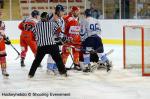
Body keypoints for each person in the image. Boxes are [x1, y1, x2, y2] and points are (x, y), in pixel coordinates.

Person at [28, 12, 67, 78]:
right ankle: (63, 73)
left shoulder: (36, 25)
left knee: (36, 61)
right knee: (58, 60)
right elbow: (59, 31)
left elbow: (33, 34)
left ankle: (30, 74)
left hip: (41, 46)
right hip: (51, 45)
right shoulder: (52, 24)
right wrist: (56, 21)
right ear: (47, 18)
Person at [47, 4, 66, 74]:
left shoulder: (61, 19)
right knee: (52, 54)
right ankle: (49, 69)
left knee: (58, 54)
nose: (62, 13)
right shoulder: (52, 19)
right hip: (52, 39)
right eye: (61, 11)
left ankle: (55, 68)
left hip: (58, 39)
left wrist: (63, 37)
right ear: (57, 11)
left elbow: (62, 30)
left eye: (62, 11)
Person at [61, 6, 81, 70]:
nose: (78, 13)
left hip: (76, 39)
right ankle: (61, 65)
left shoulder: (76, 18)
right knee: (66, 52)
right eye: (77, 11)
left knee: (76, 51)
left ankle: (76, 64)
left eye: (78, 11)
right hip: (68, 38)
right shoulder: (67, 18)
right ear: (73, 11)